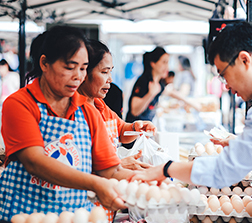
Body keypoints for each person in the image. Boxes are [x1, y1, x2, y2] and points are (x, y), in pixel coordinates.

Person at [130, 21, 252, 223]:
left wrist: (166, 168)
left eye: (224, 74)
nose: (227, 87)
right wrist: (240, 144)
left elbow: (224, 171)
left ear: (244, 60)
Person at [0, 25, 131, 221]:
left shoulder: (88, 112)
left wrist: (164, 172)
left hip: (72, 215)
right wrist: (96, 184)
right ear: (44, 63)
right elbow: (35, 161)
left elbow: (112, 170)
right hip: (23, 213)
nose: (78, 76)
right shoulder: (20, 104)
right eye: (70, 67)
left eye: (83, 68)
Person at [77, 39, 154, 171]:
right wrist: (120, 164)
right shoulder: (76, 111)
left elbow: (121, 130)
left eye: (110, 71)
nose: (110, 79)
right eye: (104, 72)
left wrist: (136, 128)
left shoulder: (99, 104)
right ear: (84, 72)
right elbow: (78, 163)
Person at [125, 47, 169, 123]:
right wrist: (150, 94)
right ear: (153, 64)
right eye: (164, 62)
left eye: (167, 62)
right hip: (134, 130)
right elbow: (134, 111)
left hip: (146, 129)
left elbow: (170, 92)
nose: (167, 67)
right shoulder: (143, 81)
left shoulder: (160, 83)